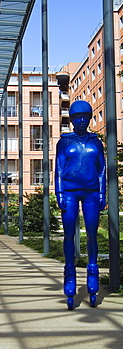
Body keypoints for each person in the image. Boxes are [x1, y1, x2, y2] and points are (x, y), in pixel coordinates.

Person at [55, 100, 106, 309]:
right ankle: (69, 274)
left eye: (85, 116)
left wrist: (102, 192)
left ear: (89, 118)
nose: (82, 120)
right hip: (69, 192)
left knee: (92, 233)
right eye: (77, 117)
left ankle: (92, 271)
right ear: (72, 119)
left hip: (92, 192)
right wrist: (58, 192)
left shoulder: (96, 142)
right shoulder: (64, 142)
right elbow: (58, 169)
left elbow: (102, 170)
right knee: (69, 234)